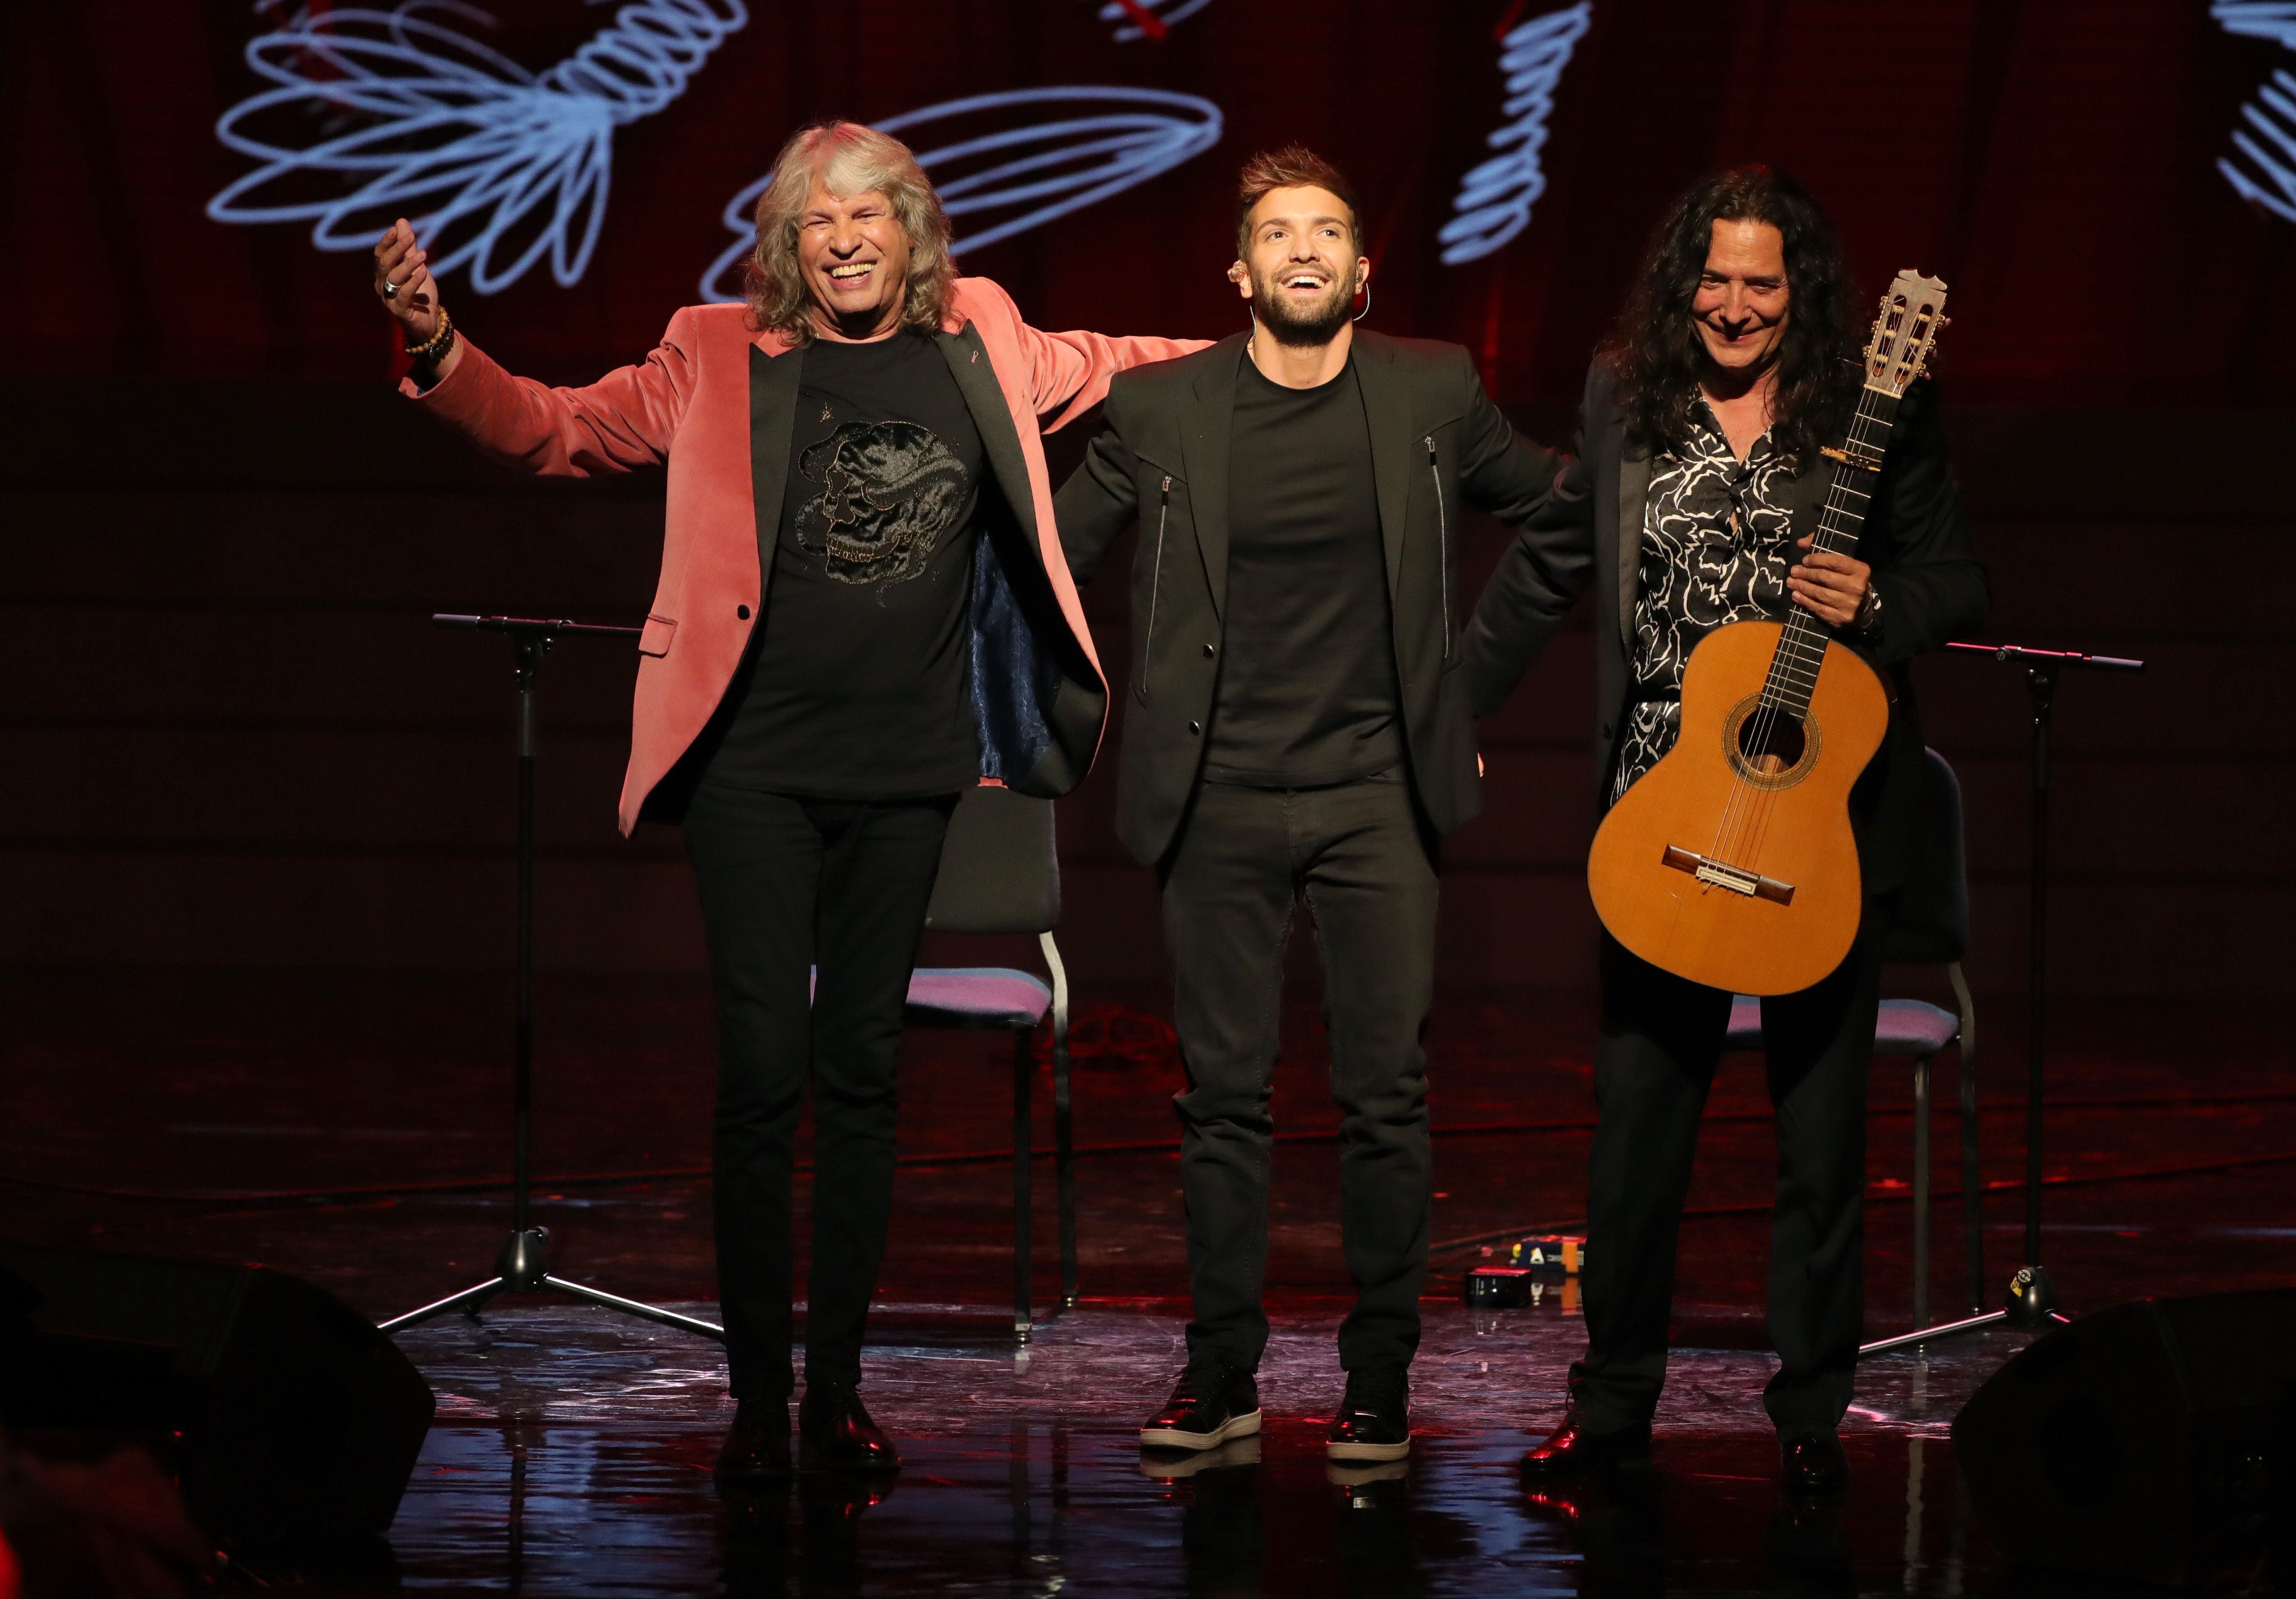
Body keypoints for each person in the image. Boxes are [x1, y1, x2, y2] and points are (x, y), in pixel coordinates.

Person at [371, 119, 1202, 1482]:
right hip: (752, 768)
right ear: (787, 241)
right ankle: (758, 1402)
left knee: (862, 1080)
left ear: (914, 229)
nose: (847, 238)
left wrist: (1292, 335)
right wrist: (437, 349)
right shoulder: (710, 350)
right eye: (819, 220)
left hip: (909, 773)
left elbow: (1136, 372)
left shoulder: (980, 332)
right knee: (763, 1079)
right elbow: (558, 432)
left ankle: (836, 1393)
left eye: (871, 213)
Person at [1468, 165, 1988, 1493]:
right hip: (1662, 806)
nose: (1736, 306)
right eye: (1714, 278)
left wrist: (1875, 600)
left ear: (1798, 291)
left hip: (1819, 817)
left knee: (1820, 1143)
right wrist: (1445, 711)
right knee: (1639, 1128)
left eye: (1762, 282)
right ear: (1677, 283)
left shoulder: (1869, 405)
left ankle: (1810, 1413)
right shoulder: (1625, 395)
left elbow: (1954, 577)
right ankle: (1612, 1400)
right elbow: (1547, 565)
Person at [1054, 147, 1567, 1465]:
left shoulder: (1428, 391)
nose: (1301, 249)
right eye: (1276, 233)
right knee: (1221, 1101)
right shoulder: (1163, 409)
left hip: (1374, 798)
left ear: (1358, 270)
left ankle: (1378, 1379)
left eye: (1326, 232)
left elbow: (1567, 507)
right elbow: (1049, 557)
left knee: (1385, 1096)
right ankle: (1221, 1376)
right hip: (1213, 798)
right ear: (1237, 271)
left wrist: (1468, 686)